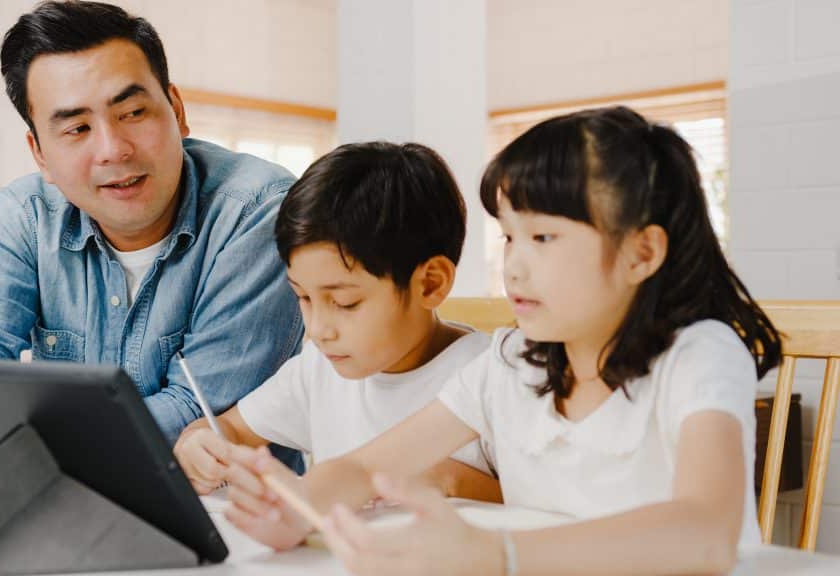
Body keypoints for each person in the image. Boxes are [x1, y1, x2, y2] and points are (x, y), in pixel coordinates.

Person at [221, 106, 782, 575]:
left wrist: (498, 553)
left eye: (543, 236)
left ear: (642, 253)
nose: (513, 266)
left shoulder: (699, 354)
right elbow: (365, 468)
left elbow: (706, 532)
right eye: (509, 235)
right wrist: (295, 507)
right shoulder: (512, 363)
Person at [0, 0, 303, 493]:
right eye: (77, 128)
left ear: (177, 111)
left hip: (241, 525)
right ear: (40, 152)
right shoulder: (24, 217)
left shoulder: (258, 211)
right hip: (65, 523)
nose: (113, 149)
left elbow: (194, 415)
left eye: (133, 112)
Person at [173, 142, 501, 502]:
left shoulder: (493, 378)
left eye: (345, 303)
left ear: (431, 283)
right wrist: (198, 443)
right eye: (304, 297)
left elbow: (543, 508)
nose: (318, 330)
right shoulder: (320, 370)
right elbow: (230, 429)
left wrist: (448, 480)